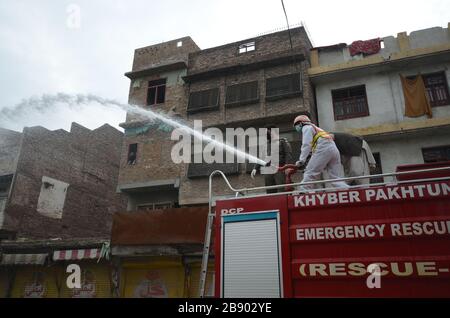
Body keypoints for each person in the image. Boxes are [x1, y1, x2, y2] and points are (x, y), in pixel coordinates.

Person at [293, 115, 348, 191]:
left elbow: (306, 144)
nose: (296, 128)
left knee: (310, 172)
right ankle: (345, 190)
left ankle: (303, 192)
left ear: (301, 123)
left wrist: (301, 160)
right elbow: (312, 149)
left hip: (323, 148)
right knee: (336, 177)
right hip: (333, 149)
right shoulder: (318, 129)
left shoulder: (306, 127)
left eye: (296, 125)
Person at [251, 125, 293, 194]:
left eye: (267, 132)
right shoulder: (266, 145)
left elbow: (288, 154)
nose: (266, 135)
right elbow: (261, 158)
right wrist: (255, 168)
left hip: (280, 168)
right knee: (270, 190)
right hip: (268, 170)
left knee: (282, 188)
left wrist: (287, 167)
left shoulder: (282, 142)